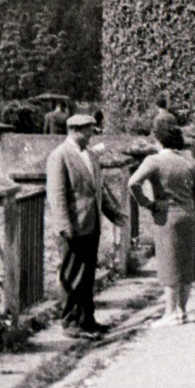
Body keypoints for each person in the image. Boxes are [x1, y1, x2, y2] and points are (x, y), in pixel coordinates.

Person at [46, 112, 125, 337]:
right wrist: (64, 225)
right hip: (73, 226)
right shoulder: (59, 156)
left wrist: (113, 214)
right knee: (72, 275)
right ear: (76, 131)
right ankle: (71, 322)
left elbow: (99, 189)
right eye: (89, 130)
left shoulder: (90, 155)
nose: (92, 134)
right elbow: (57, 194)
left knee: (87, 274)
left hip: (91, 224)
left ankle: (87, 320)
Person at [129, 112, 195, 326]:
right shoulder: (189, 162)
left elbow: (133, 183)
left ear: (158, 138)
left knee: (168, 262)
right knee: (186, 263)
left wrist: (147, 203)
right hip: (189, 214)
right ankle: (182, 310)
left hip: (166, 215)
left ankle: (170, 312)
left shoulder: (153, 161)